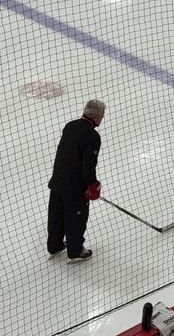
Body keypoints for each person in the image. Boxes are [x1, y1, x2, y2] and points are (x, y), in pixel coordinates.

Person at [47, 99, 104, 264]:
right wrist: (92, 184)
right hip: (75, 187)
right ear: (97, 115)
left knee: (56, 215)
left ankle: (55, 245)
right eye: (102, 115)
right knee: (76, 218)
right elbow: (88, 165)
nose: (103, 118)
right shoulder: (92, 136)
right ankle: (75, 250)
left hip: (58, 180)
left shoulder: (70, 125)